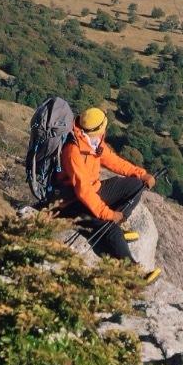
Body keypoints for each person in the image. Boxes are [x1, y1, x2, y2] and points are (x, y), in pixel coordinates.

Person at [56, 106, 161, 282]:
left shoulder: (92, 141)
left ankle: (115, 230)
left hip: (93, 190)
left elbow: (113, 161)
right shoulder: (73, 151)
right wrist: (109, 214)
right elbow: (83, 190)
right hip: (72, 203)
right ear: (97, 129)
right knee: (107, 223)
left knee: (135, 186)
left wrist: (141, 174)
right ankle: (132, 274)